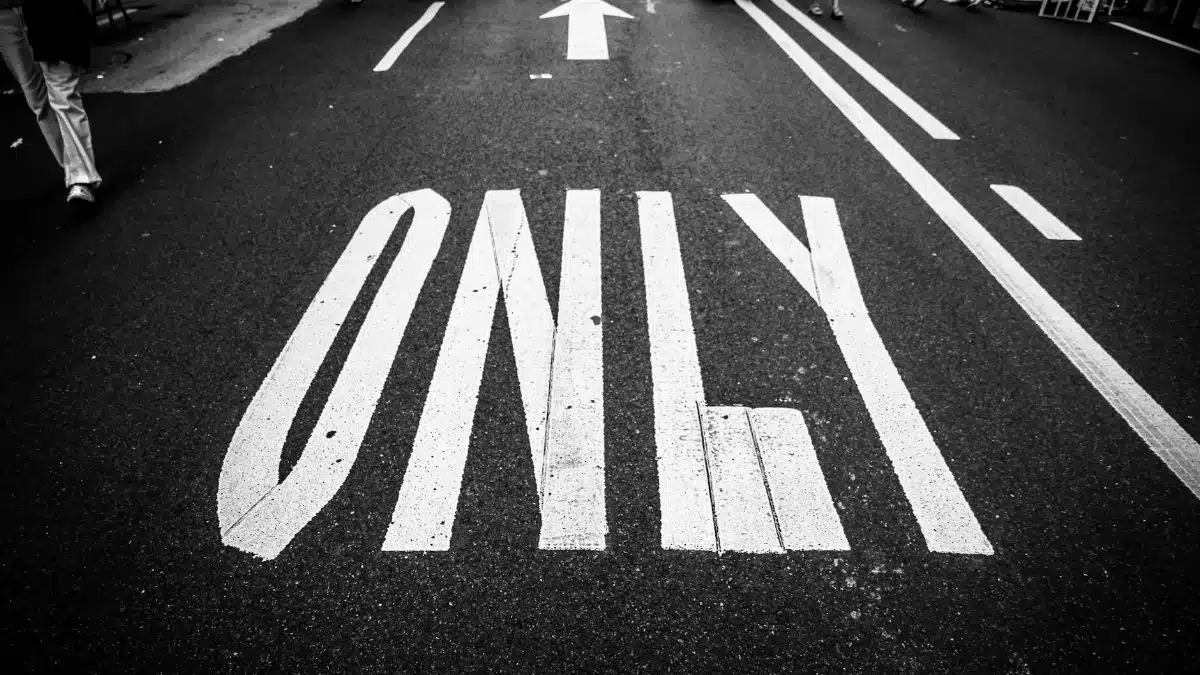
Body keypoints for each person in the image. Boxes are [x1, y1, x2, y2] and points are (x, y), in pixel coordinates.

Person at [0, 0, 102, 205]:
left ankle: (80, 178)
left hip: (48, 9)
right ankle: (72, 169)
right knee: (37, 98)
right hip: (4, 14)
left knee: (62, 91)